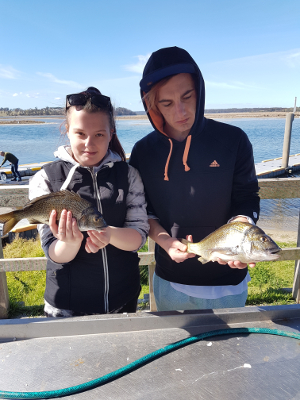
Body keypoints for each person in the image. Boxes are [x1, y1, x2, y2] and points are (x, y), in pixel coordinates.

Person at [129, 46, 260, 311]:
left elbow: (247, 198)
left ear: (199, 92)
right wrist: (166, 241)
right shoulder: (143, 151)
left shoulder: (234, 140)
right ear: (152, 105)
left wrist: (241, 230)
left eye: (187, 97)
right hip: (170, 280)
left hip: (229, 279)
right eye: (167, 103)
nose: (181, 112)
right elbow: (143, 211)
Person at [29, 87, 149, 317]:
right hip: (66, 306)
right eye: (80, 134)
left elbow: (138, 236)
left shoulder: (129, 175)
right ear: (67, 131)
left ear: (111, 133)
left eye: (99, 135)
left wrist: (109, 234)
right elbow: (52, 252)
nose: (89, 144)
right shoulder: (45, 178)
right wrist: (70, 242)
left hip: (122, 301)